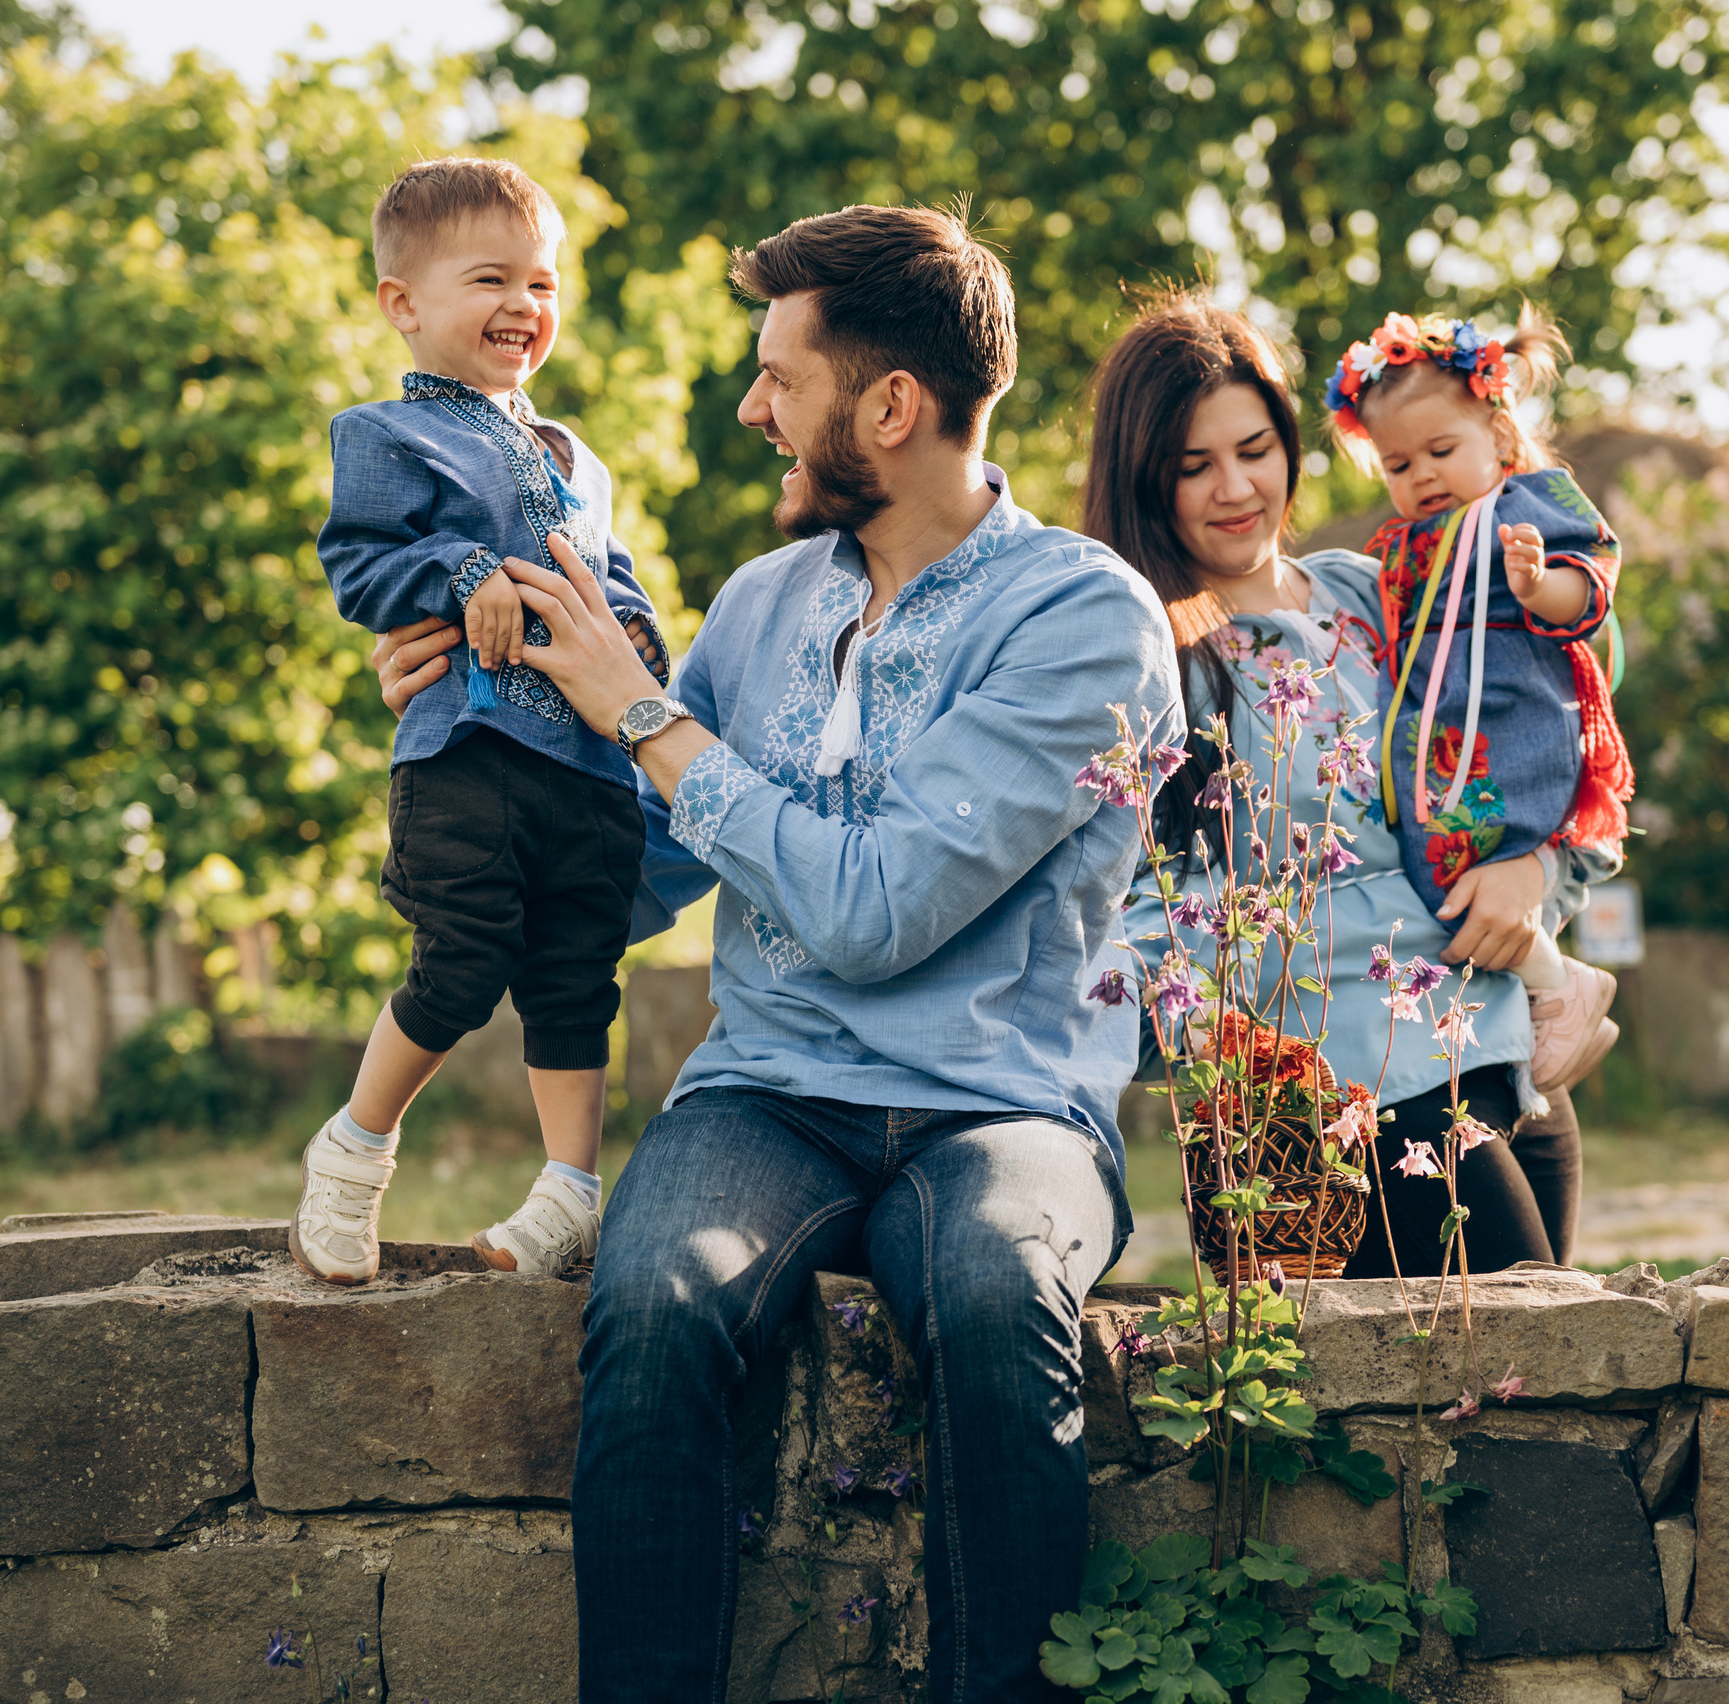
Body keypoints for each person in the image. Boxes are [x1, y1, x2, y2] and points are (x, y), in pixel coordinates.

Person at [383, 204, 1175, 1702]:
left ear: (891, 406)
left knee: (1002, 1297)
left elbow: (874, 910)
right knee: (655, 1293)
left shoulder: (1082, 615)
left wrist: (649, 716)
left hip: (999, 1101)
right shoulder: (761, 605)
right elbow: (646, 859)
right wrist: (460, 730)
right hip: (769, 1090)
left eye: (780, 380)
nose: (753, 409)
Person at [1086, 290, 1605, 1277]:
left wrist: (1531, 871)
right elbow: (1132, 898)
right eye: (1193, 467)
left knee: (1551, 1397)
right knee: (1518, 1377)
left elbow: (1536, 725)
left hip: (1499, 1049)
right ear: (1143, 481)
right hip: (1362, 1094)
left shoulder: (1375, 589)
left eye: (1254, 449)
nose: (1234, 488)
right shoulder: (1151, 658)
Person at [291, 156, 671, 1285]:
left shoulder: (578, 456)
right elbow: (357, 566)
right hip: (467, 751)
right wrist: (462, 571)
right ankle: (353, 1148)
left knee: (574, 975)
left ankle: (571, 1190)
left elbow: (614, 577)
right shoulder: (382, 436)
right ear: (402, 305)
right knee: (459, 962)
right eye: (491, 280)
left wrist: (641, 634)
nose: (525, 306)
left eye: (544, 284)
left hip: (590, 770)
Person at [1324, 304, 1636, 1092]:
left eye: (1440, 449)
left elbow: (1591, 587)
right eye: (1398, 465)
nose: (1421, 474)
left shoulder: (1523, 508)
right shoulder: (1404, 545)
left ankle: (1556, 985)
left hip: (1512, 731)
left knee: (1469, 880)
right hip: (1440, 750)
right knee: (1439, 879)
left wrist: (1539, 584)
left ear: (1497, 438)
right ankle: (1543, 992)